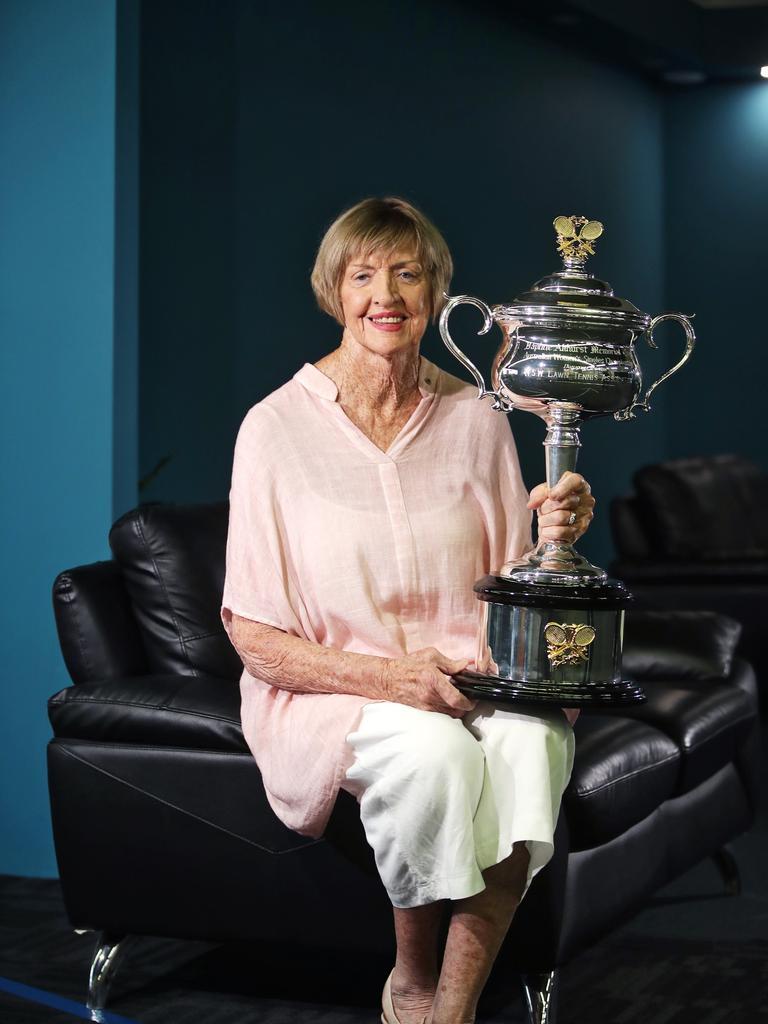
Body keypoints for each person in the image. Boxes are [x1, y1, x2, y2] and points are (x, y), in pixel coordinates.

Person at [220, 197, 595, 1024]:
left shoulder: (477, 417)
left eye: (407, 273)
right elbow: (252, 634)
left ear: (435, 295)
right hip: (340, 693)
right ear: (333, 292)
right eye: (362, 275)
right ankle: (413, 981)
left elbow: (515, 580)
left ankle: (449, 1010)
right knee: (435, 757)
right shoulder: (274, 429)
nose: (384, 294)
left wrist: (558, 530)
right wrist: (399, 680)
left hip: (476, 678)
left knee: (535, 741)